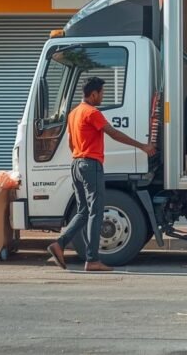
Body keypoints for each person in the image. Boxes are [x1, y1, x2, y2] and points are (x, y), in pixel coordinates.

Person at [47, 77, 156, 271]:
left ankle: (60, 244)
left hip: (77, 164)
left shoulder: (74, 113)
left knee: (83, 211)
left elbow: (72, 143)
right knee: (96, 212)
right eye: (102, 93)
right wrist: (142, 146)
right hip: (91, 164)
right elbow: (114, 133)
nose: (102, 97)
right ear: (93, 94)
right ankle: (92, 259)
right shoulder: (92, 112)